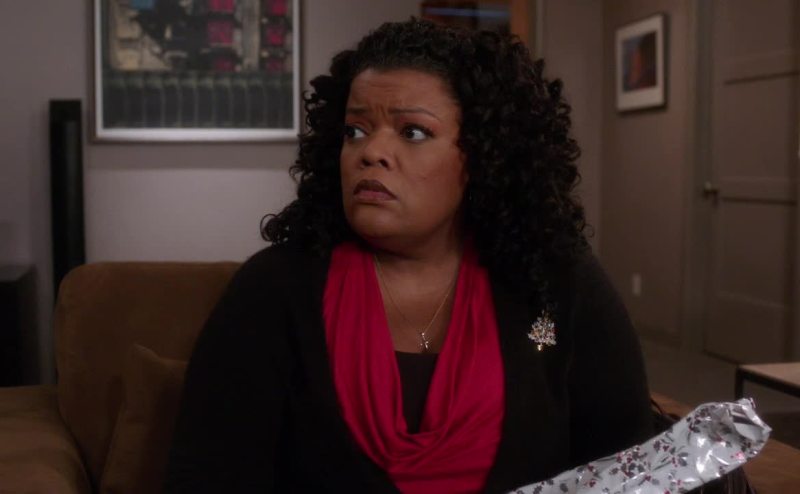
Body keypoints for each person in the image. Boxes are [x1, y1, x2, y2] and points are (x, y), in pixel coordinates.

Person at [164, 18, 653, 493]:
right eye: (355, 130)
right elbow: (208, 476)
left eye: (413, 132)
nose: (370, 152)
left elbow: (629, 468)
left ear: (484, 153)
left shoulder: (555, 280)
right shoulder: (274, 289)